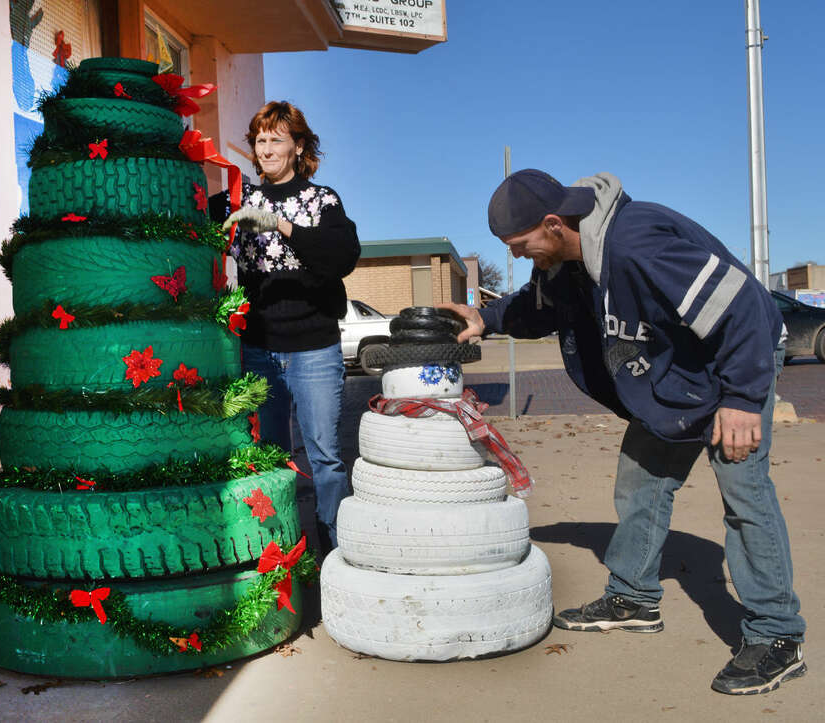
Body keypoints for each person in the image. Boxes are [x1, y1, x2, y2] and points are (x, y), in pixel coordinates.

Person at [440, 169, 806, 696]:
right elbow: (538, 306)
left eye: (521, 246)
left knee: (745, 494)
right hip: (674, 377)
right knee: (641, 480)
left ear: (553, 223)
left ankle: (777, 636)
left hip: (731, 368)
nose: (519, 257)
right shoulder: (570, 258)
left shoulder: (635, 243)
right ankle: (633, 597)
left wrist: (744, 399)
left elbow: (743, 306)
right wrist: (484, 317)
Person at [209, 101, 360, 552]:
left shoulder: (322, 200)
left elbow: (341, 258)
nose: (267, 147)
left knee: (325, 459)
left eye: (277, 139)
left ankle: (335, 555)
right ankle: (282, 557)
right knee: (269, 461)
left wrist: (280, 224)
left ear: (298, 147)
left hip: (314, 348)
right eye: (260, 139)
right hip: (258, 348)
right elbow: (186, 218)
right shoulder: (236, 202)